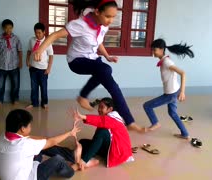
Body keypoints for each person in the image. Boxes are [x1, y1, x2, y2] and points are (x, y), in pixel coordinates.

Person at [34, 0, 145, 133]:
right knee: (104, 71)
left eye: (113, 17)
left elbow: (98, 42)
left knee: (107, 70)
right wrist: (40, 50)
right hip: (76, 61)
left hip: (92, 58)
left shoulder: (103, 25)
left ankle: (83, 97)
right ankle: (129, 120)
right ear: (97, 12)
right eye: (108, 16)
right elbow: (55, 35)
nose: (111, 20)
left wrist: (108, 56)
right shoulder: (80, 24)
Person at [0, 109, 81, 180]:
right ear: (22, 129)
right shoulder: (25, 145)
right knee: (58, 160)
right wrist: (70, 133)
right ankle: (74, 168)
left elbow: (30, 137)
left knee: (44, 144)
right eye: (29, 126)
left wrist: (47, 139)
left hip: (13, 175)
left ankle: (71, 155)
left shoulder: (3, 137)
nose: (31, 128)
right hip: (28, 177)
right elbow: (51, 142)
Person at [143, 38, 194, 139]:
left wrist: (183, 92)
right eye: (152, 50)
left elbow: (183, 73)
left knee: (147, 106)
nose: (153, 52)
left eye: (155, 50)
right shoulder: (165, 60)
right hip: (173, 91)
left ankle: (155, 123)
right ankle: (185, 134)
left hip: (171, 94)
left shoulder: (167, 62)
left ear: (162, 50)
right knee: (172, 113)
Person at [72, 97, 134, 169]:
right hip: (110, 147)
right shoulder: (108, 117)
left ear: (110, 109)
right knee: (82, 142)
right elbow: (101, 123)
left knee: (102, 131)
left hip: (117, 153)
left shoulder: (113, 118)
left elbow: (101, 121)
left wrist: (82, 116)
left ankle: (84, 162)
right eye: (99, 107)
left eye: (102, 107)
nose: (99, 110)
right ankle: (87, 159)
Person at [0, 19, 22, 105]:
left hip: (14, 65)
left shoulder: (16, 38)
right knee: (0, 85)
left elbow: (20, 51)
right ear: (3, 28)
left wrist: (20, 62)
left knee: (16, 84)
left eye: (10, 28)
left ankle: (15, 99)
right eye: (6, 28)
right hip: (1, 65)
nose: (8, 30)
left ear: (12, 28)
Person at [26, 22, 54, 110]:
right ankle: (34, 103)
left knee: (43, 87)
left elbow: (51, 56)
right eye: (36, 32)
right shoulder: (31, 40)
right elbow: (29, 51)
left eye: (39, 33)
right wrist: (27, 61)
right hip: (33, 68)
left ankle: (44, 103)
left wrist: (49, 68)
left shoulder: (47, 42)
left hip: (43, 69)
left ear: (44, 32)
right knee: (33, 87)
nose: (37, 35)